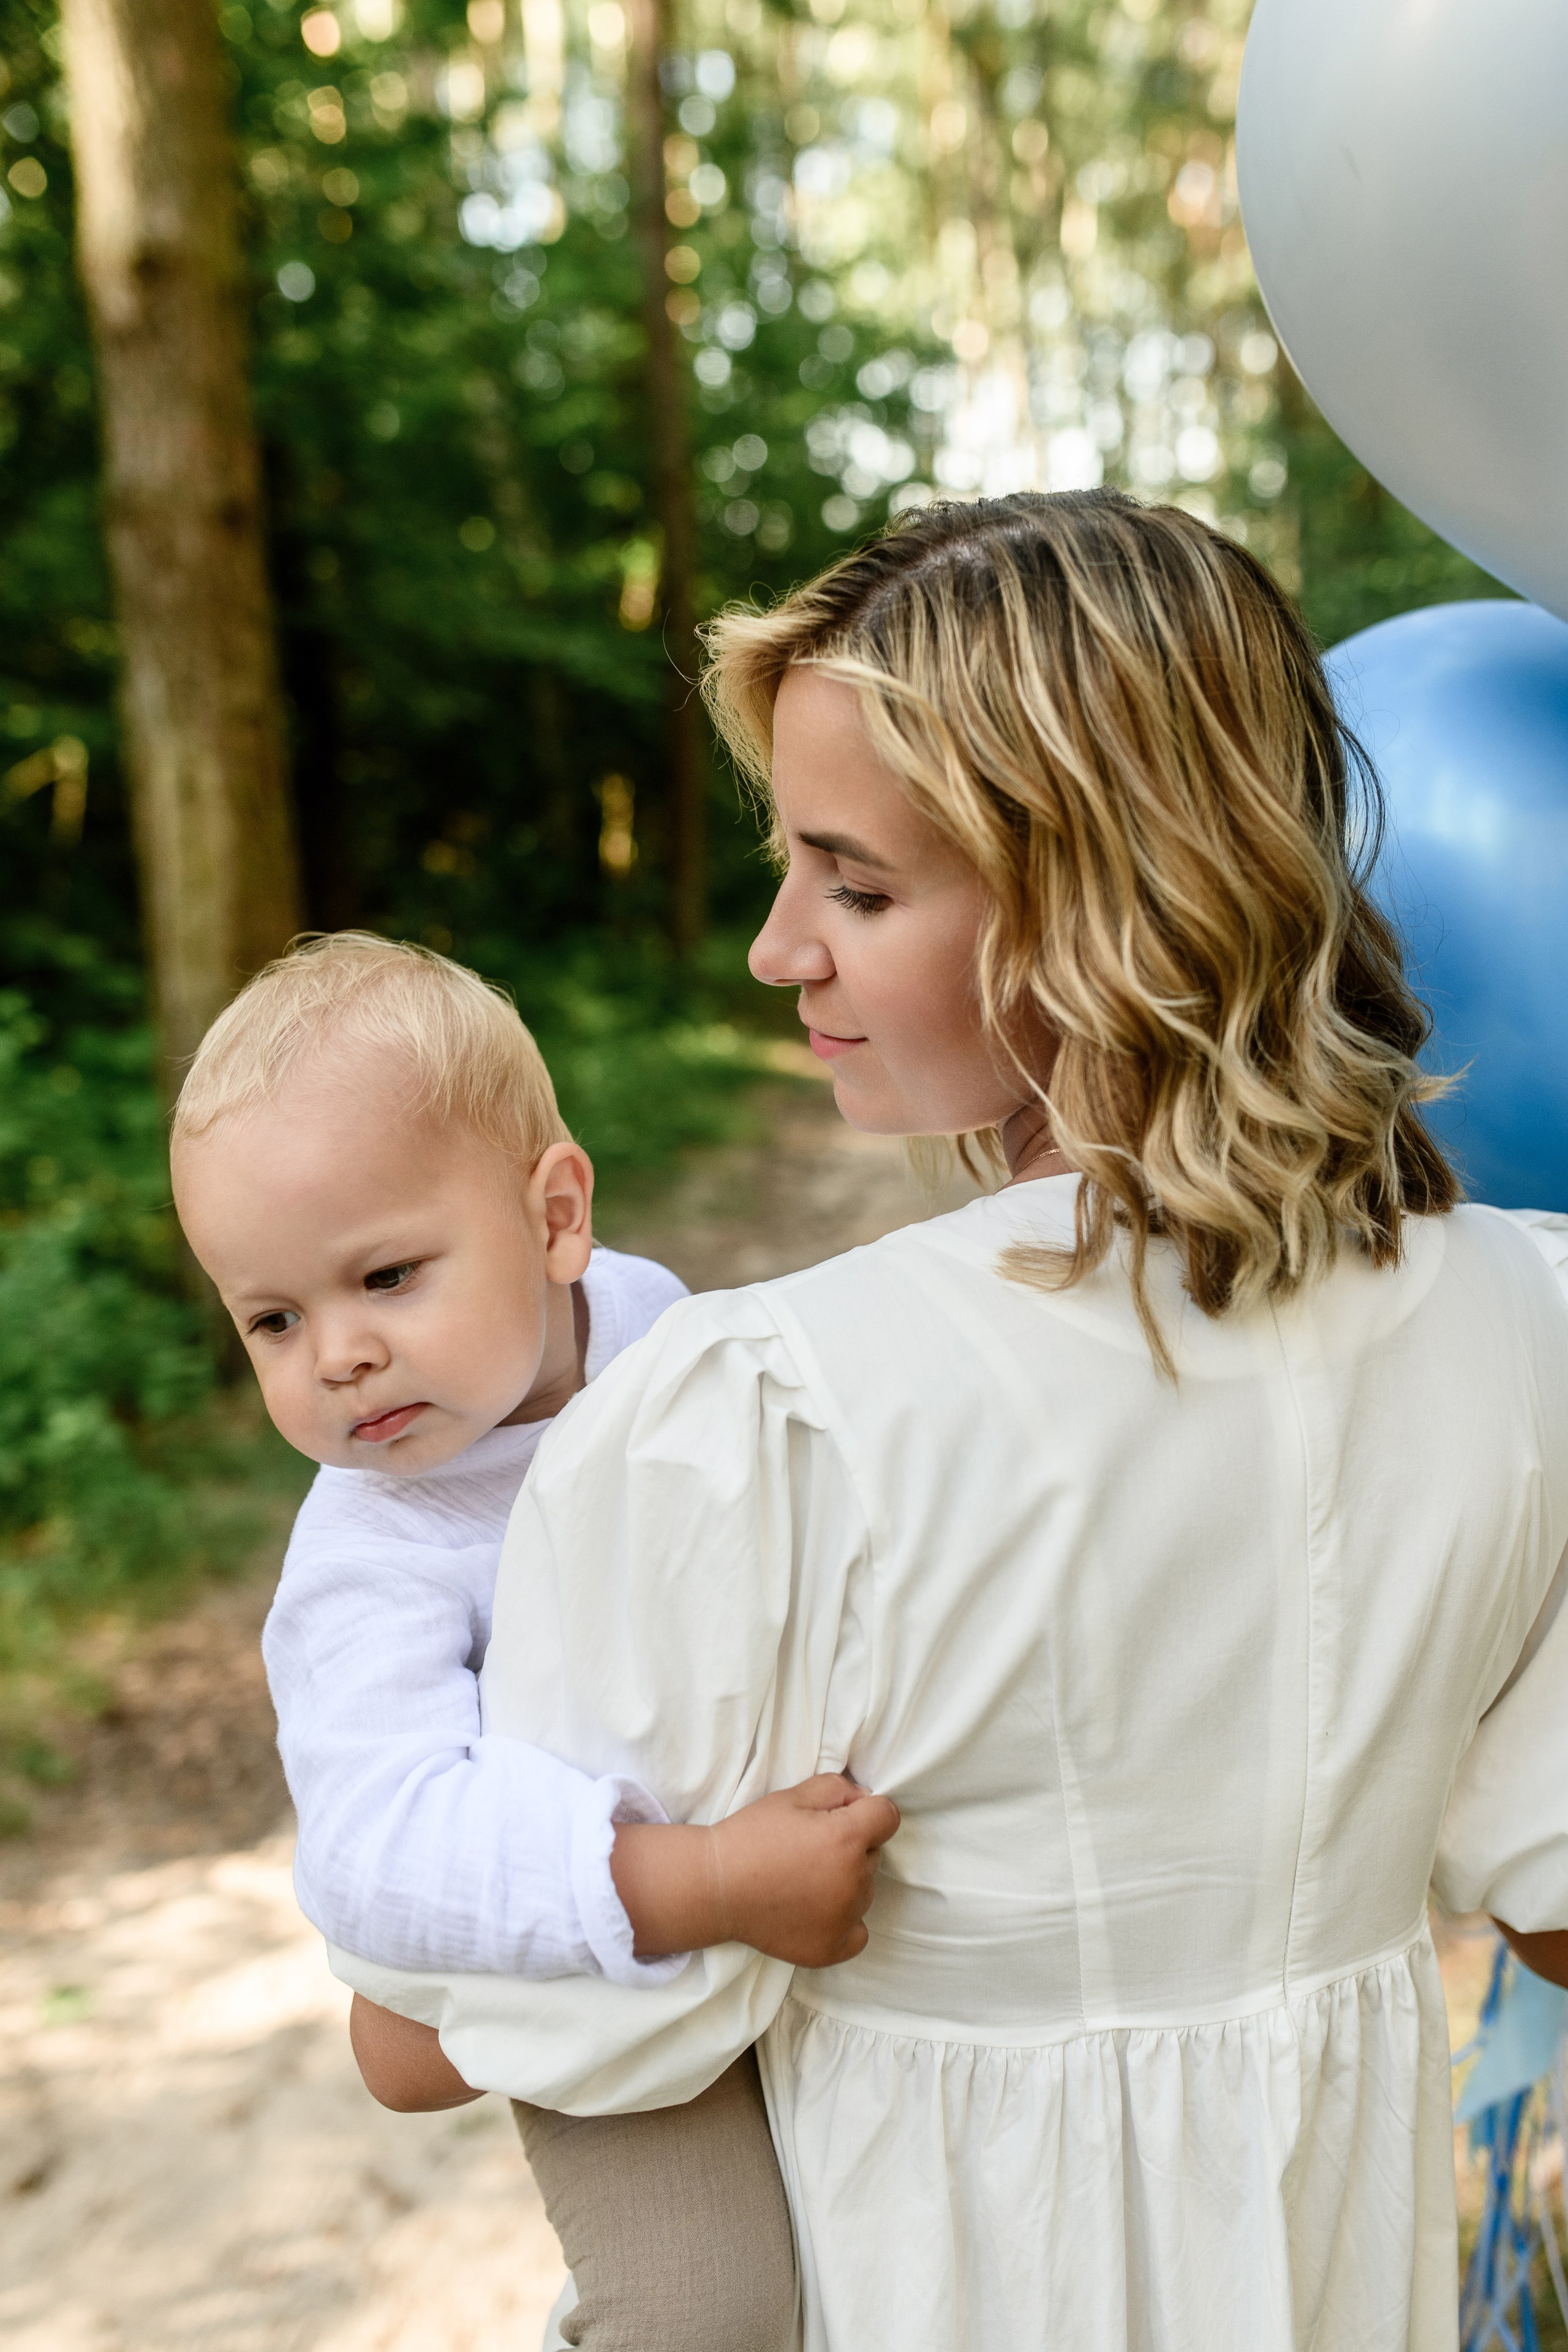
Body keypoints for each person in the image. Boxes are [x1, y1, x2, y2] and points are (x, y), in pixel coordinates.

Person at [343, 493, 1568, 2352]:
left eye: (856, 887)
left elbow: (442, 2032)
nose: (777, 951)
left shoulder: (770, 1418)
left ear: (1105, 902)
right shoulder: (1524, 1324)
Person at [170, 932, 900, 2352]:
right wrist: (699, 1882)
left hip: (782, 1891)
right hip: (606, 1961)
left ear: (556, 1217)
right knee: (705, 2311)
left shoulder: (659, 1335)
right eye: (273, 1318)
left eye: (387, 1275)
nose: (336, 1354)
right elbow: (376, 1851)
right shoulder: (373, 1554)